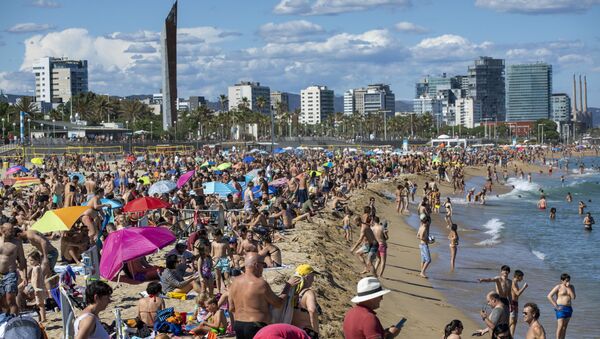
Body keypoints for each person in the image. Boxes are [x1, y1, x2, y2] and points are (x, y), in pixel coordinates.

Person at [228, 253, 299, 339]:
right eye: (263, 265)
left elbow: (231, 308)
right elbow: (278, 303)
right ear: (256, 265)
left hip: (238, 325)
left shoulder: (234, 282)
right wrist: (288, 286)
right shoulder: (260, 283)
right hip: (256, 326)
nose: (263, 268)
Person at [0, 223, 27, 315]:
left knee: (10, 300)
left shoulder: (17, 242)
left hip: (10, 274)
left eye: (13, 230)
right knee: (2, 302)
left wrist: (25, 276)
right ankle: (6, 320)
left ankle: (14, 320)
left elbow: (22, 260)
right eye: (10, 230)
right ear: (3, 230)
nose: (13, 232)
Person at [291, 264, 320, 339]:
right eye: (313, 276)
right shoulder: (308, 293)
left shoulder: (291, 292)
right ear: (307, 277)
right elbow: (312, 310)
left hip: (293, 330)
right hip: (306, 331)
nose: (313, 280)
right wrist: (316, 331)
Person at [547, 273, 575, 339]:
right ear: (562, 281)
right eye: (566, 280)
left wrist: (568, 287)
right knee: (560, 325)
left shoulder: (571, 287)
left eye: (568, 280)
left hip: (569, 308)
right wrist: (556, 306)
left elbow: (573, 297)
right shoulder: (558, 287)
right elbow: (549, 296)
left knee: (565, 327)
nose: (568, 282)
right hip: (560, 308)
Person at [509, 270, 528, 336]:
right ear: (518, 276)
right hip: (512, 303)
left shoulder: (516, 283)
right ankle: (503, 332)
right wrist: (524, 287)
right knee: (512, 320)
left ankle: (511, 336)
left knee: (515, 321)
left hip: (515, 303)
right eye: (521, 277)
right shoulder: (513, 283)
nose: (522, 279)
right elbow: (517, 293)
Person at [417, 214, 431, 278]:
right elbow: (421, 237)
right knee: (428, 260)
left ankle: (422, 271)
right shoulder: (424, 228)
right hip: (424, 245)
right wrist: (428, 240)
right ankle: (422, 272)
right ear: (427, 222)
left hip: (421, 245)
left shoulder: (421, 227)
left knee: (423, 260)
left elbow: (417, 236)